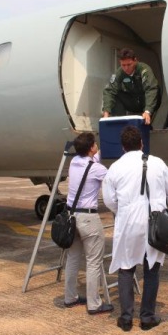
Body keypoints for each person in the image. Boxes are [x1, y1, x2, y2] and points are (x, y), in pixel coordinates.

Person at [102, 125, 168, 331]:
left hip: (128, 223)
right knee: (152, 270)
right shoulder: (158, 163)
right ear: (141, 143)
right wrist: (159, 206)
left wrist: (124, 211)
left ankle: (126, 318)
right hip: (154, 222)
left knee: (126, 269)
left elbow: (109, 200)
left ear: (123, 146)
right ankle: (147, 317)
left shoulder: (115, 167)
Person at [64, 132, 114, 315]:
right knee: (93, 261)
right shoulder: (96, 169)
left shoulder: (74, 162)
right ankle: (94, 304)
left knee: (73, 258)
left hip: (72, 216)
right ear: (91, 147)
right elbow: (113, 180)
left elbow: (93, 160)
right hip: (88, 219)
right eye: (95, 144)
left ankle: (70, 297)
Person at [101, 48, 161, 126]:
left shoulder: (144, 70)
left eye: (129, 65)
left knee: (152, 90)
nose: (126, 68)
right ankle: (120, 124)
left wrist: (148, 111)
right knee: (114, 94)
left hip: (148, 102)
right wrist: (106, 113)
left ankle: (147, 124)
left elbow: (151, 89)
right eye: (123, 65)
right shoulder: (120, 72)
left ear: (135, 61)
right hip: (134, 101)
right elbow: (109, 91)